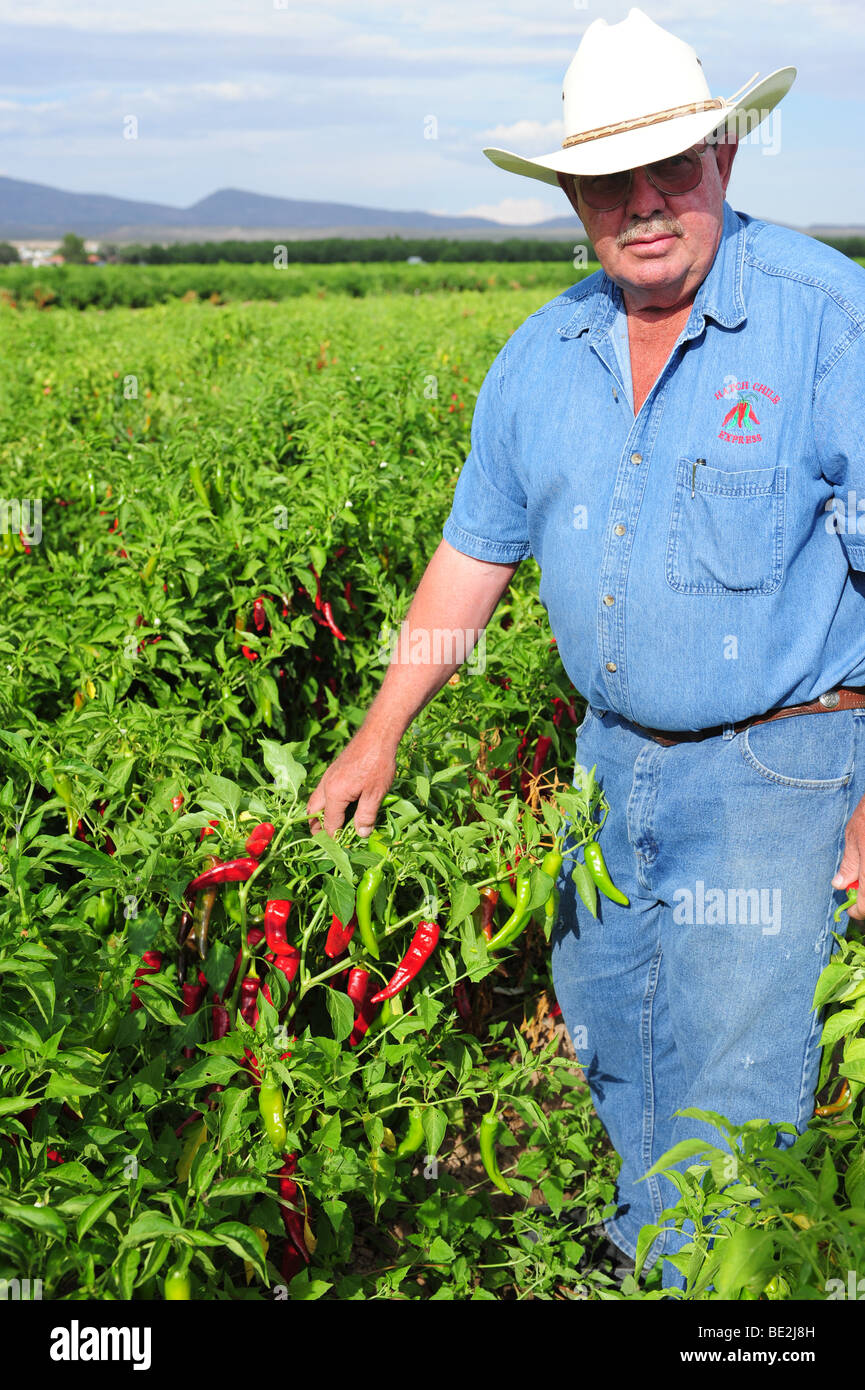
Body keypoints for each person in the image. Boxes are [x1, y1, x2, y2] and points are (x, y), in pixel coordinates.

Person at [307, 8, 865, 1293]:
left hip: (778, 770)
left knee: (733, 1084)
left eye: (673, 166)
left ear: (723, 159)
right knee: (616, 1022)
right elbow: (474, 559)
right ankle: (655, 1253)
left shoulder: (824, 322)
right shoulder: (543, 353)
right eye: (610, 179)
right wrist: (377, 731)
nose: (645, 202)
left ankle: (722, 1296)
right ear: (570, 193)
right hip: (609, 768)